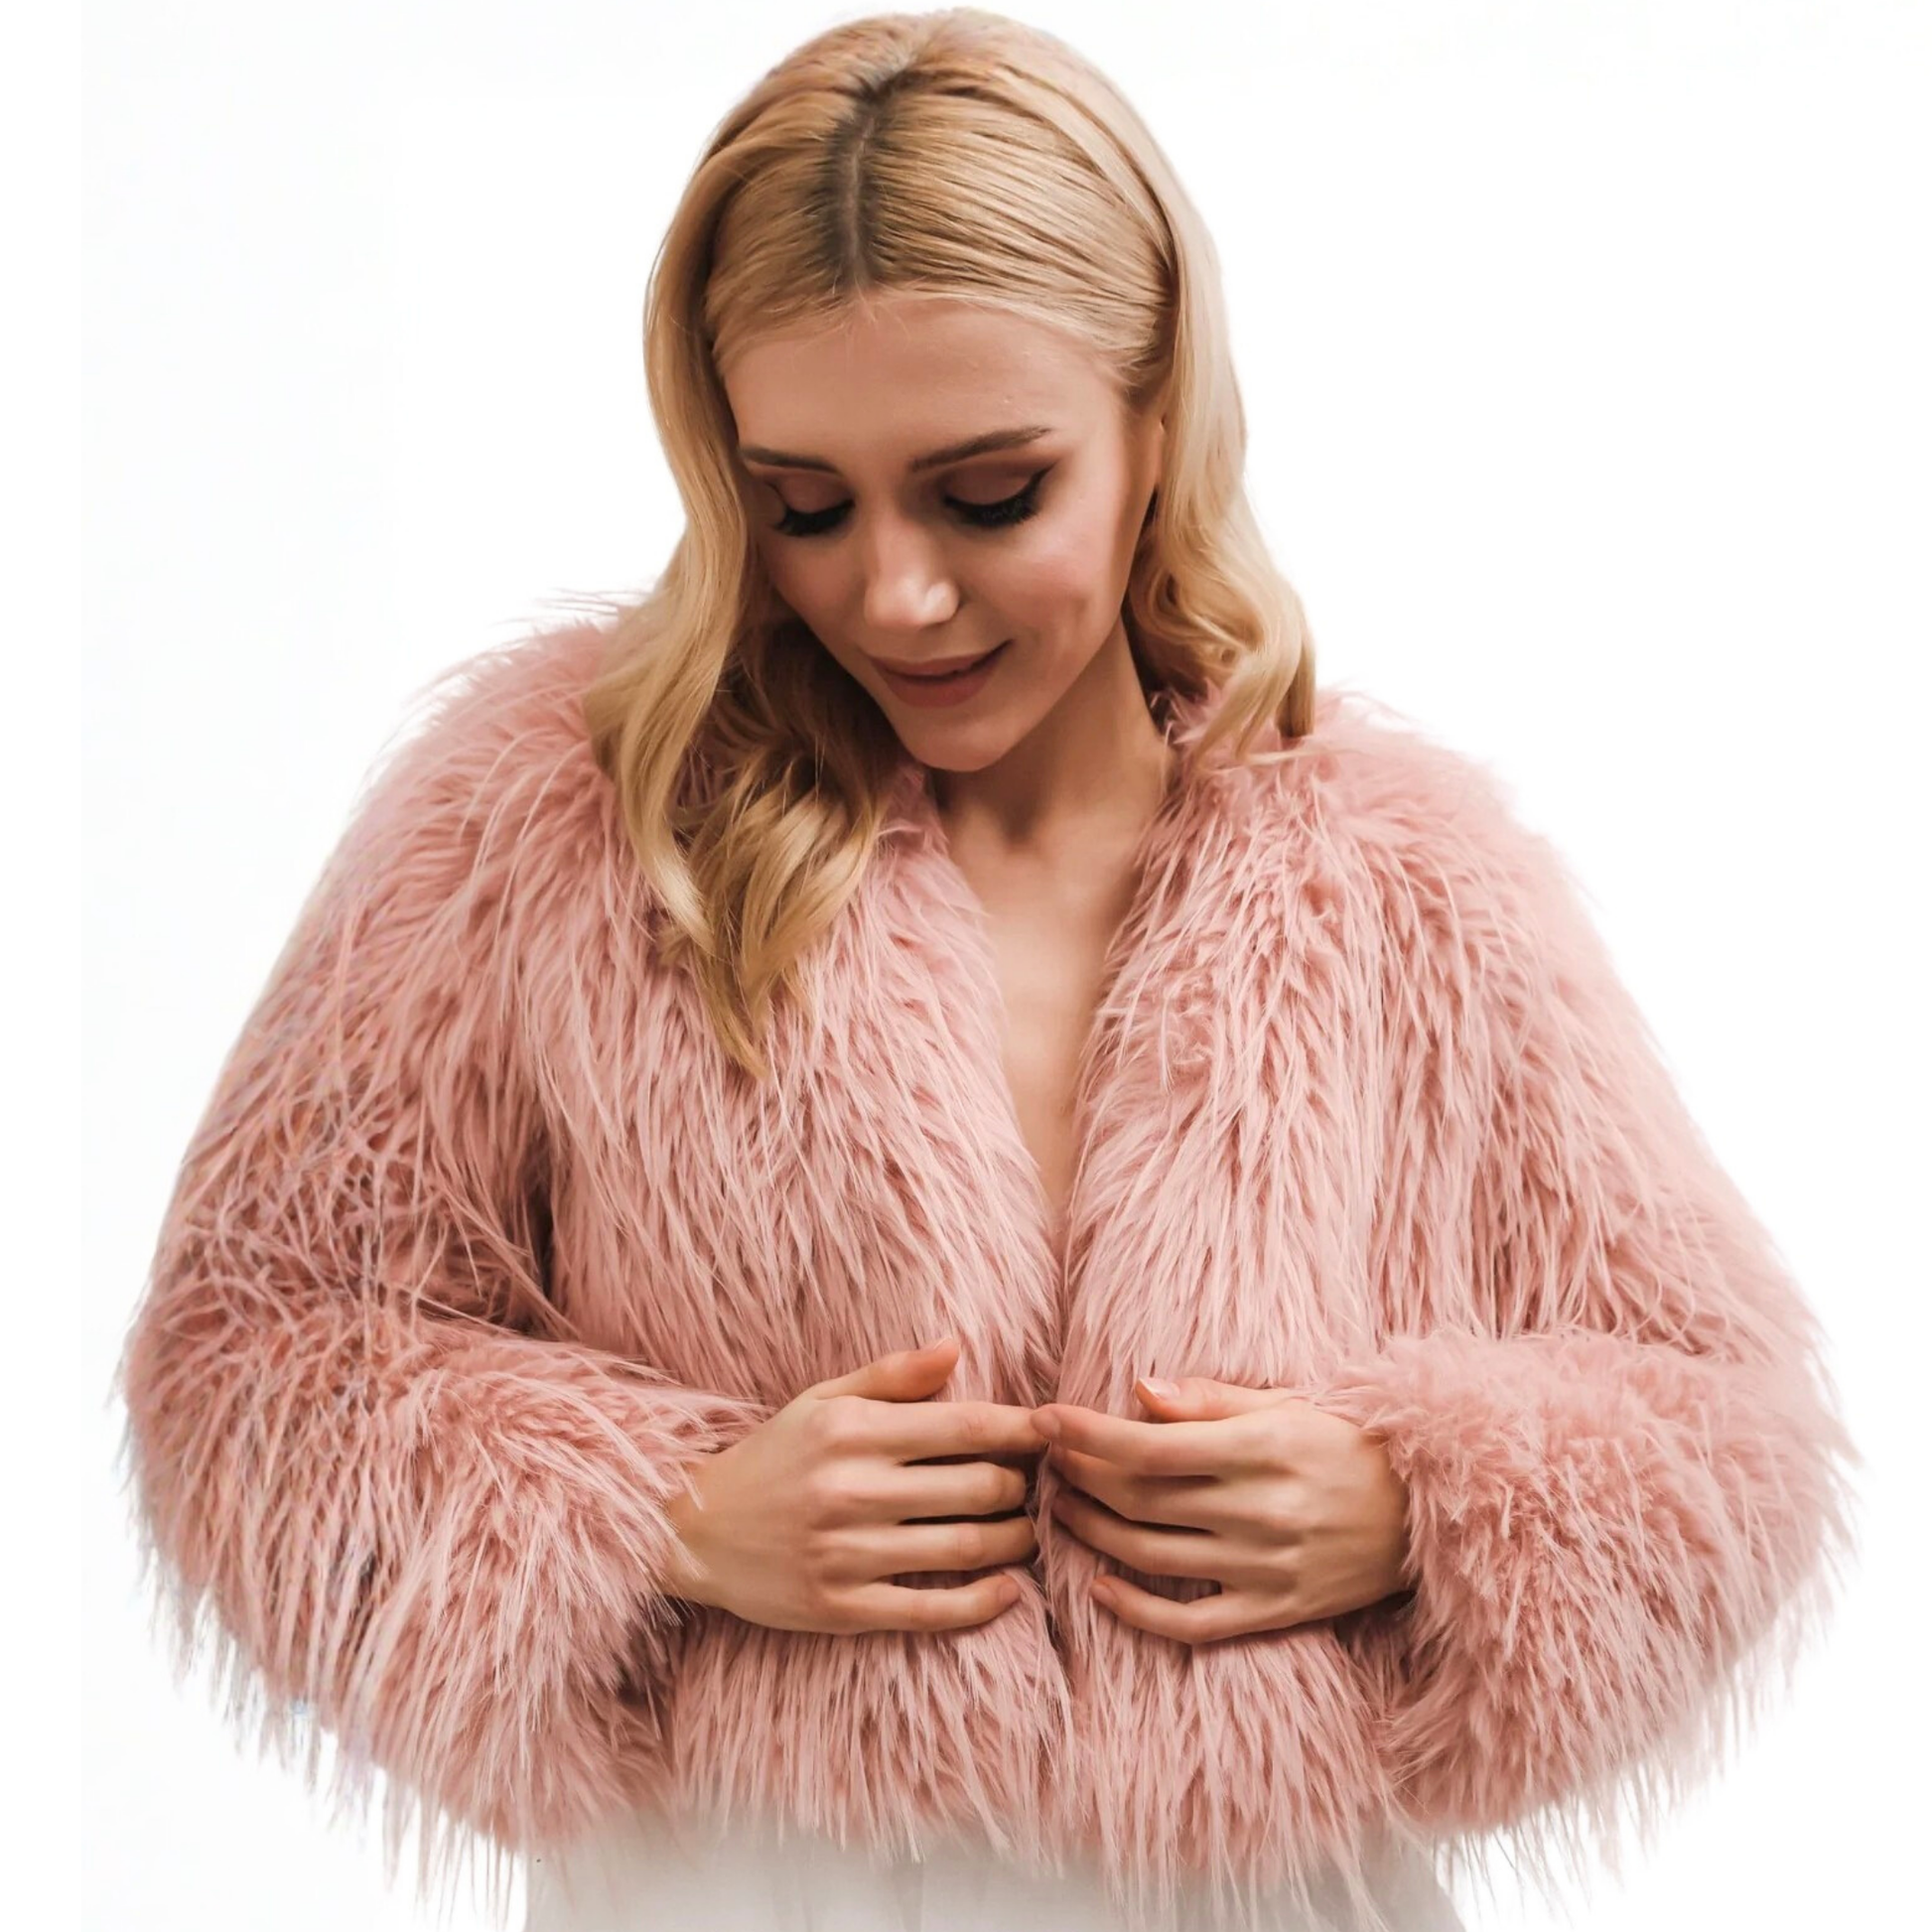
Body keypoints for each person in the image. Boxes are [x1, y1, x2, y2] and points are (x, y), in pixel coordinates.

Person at [111, 10, 1860, 1932]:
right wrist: (663, 1512)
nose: (893, 591)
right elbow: (250, 1355)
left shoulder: (1400, 883)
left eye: (989, 491)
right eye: (803, 504)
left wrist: (1416, 1500)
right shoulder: (553, 832)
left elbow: (1723, 1420)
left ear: (1154, 427)